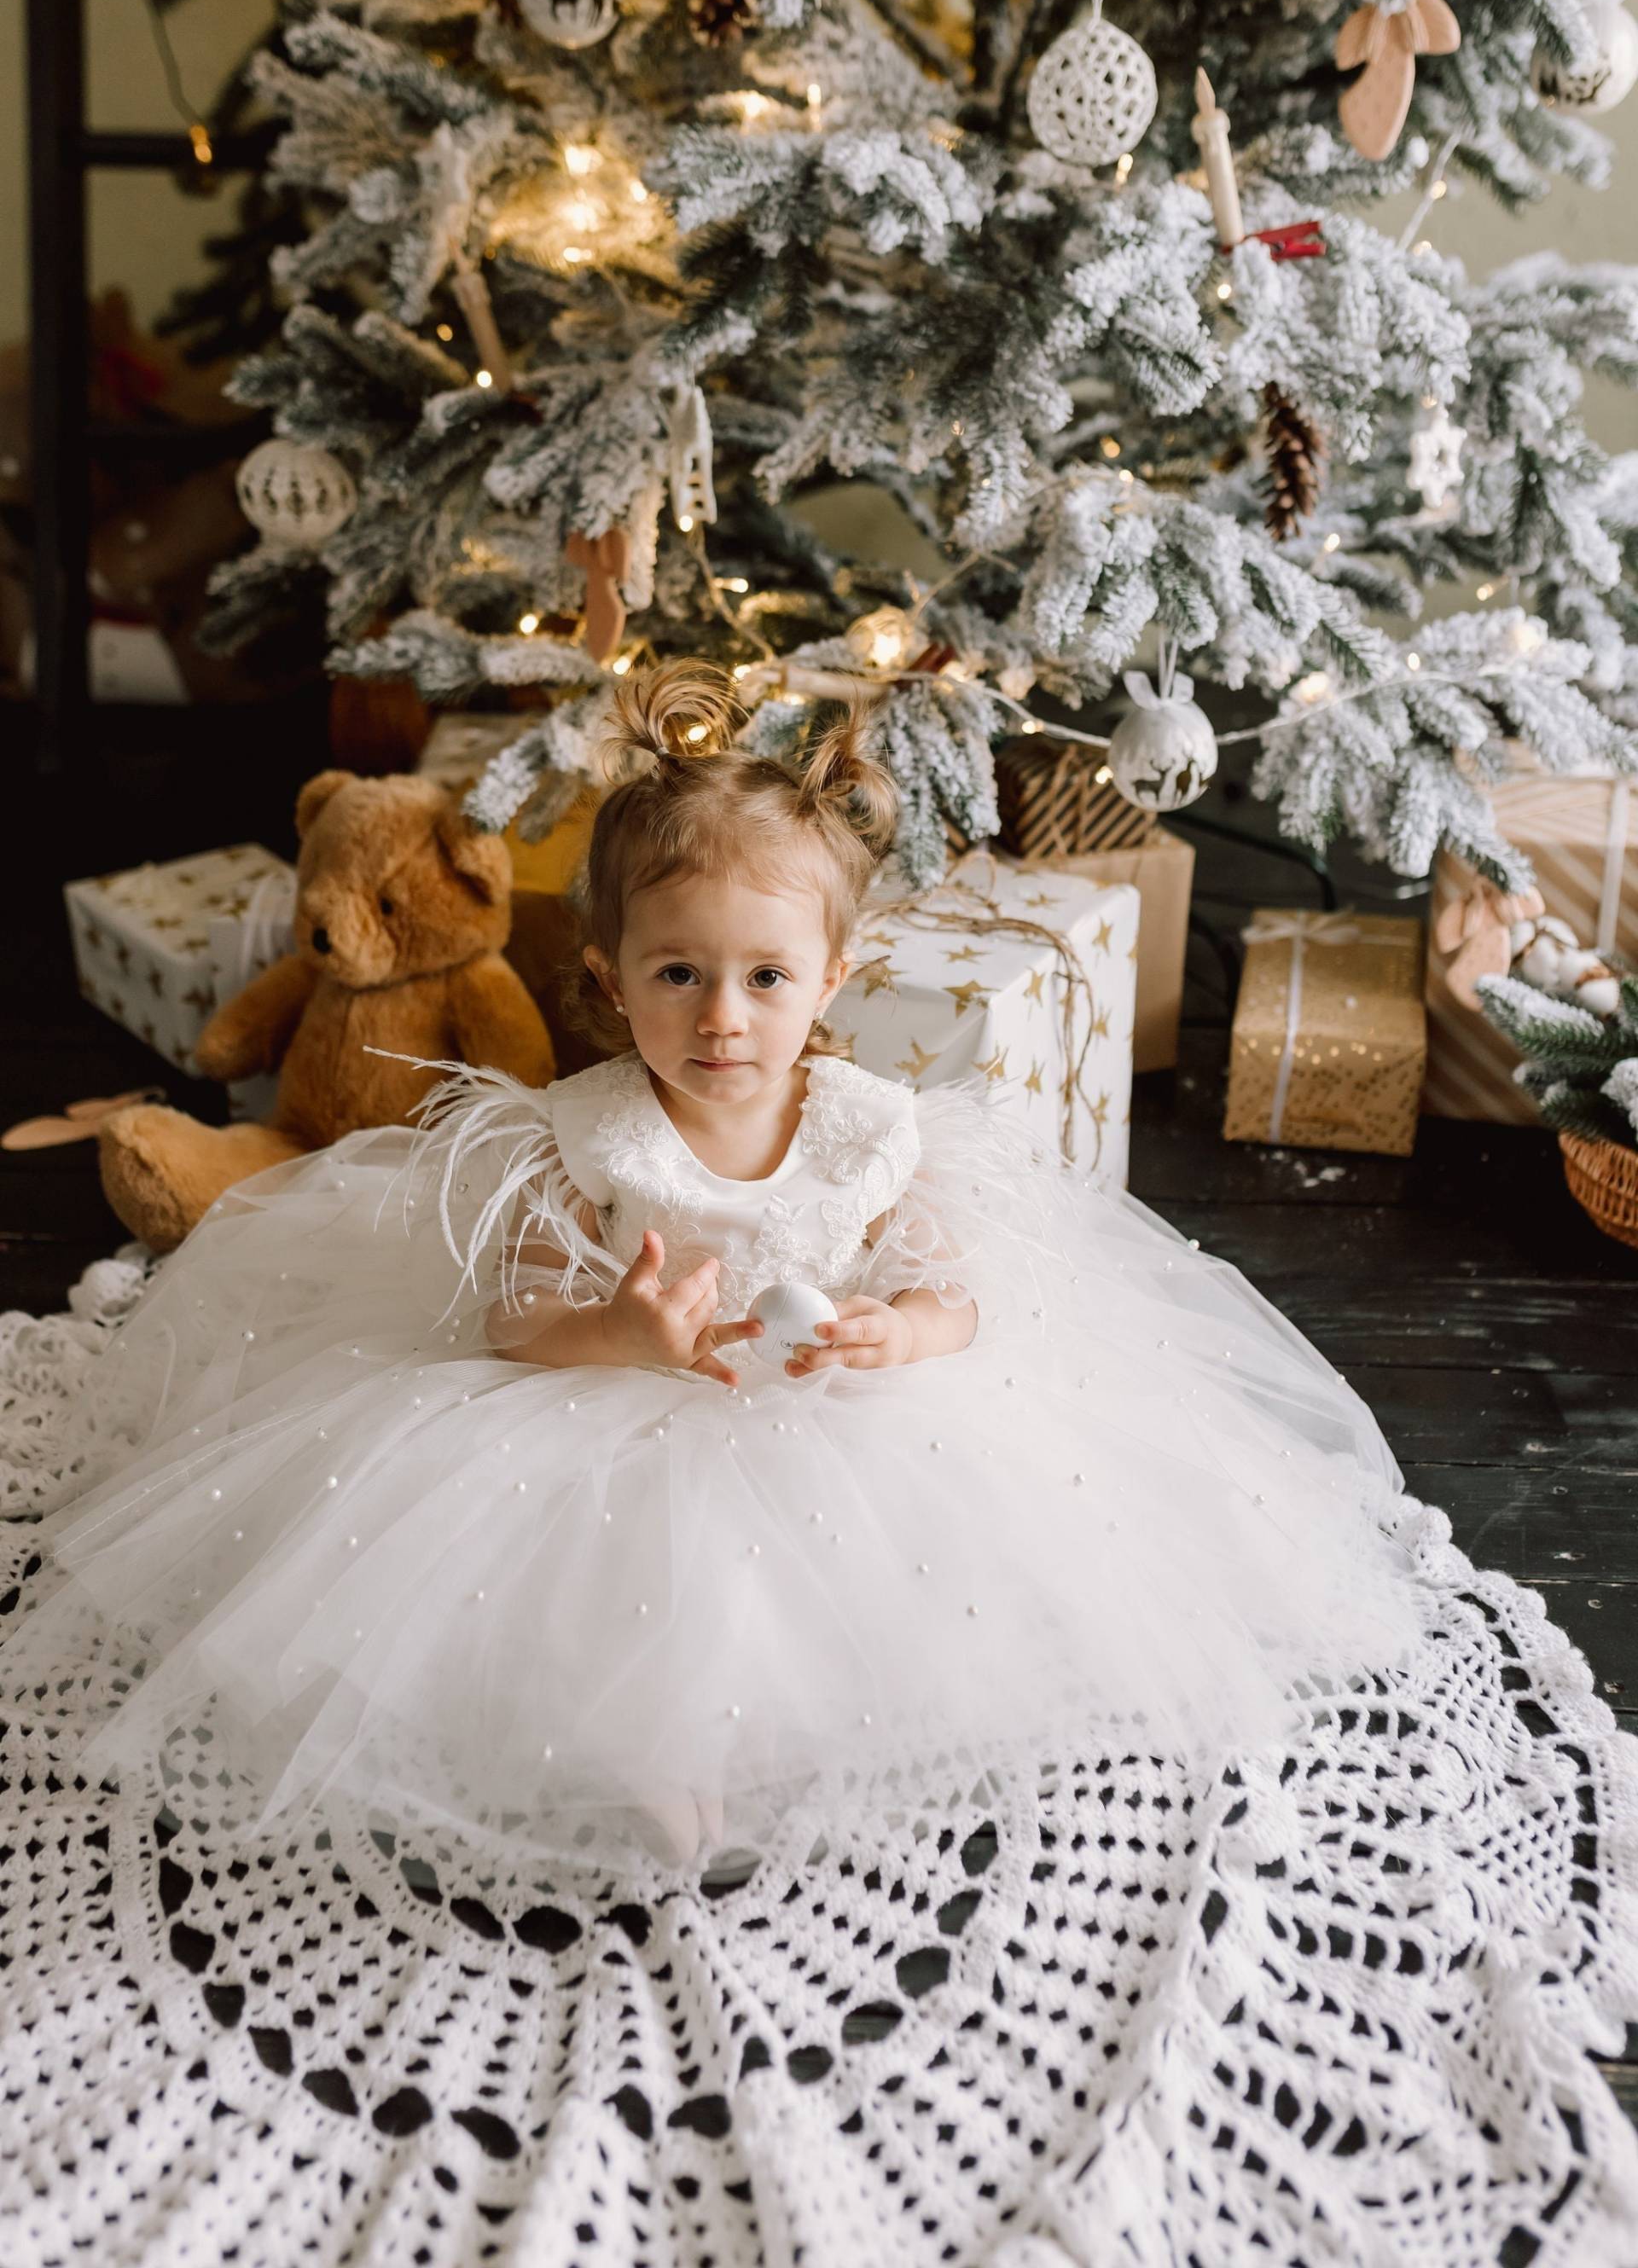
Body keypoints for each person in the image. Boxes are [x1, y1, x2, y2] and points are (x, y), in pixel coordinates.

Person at [0, 664, 1429, 1873]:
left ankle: (840, 1740)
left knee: (902, 1581)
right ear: (611, 980)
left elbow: (955, 1283)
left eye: (765, 977)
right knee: (621, 1590)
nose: (725, 1018)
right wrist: (614, 1333)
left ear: (832, 978)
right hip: (623, 1403)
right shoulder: (588, 1131)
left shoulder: (873, 1126)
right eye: (678, 974)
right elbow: (508, 1323)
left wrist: (899, 1332)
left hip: (833, 1407)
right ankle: (651, 1761)